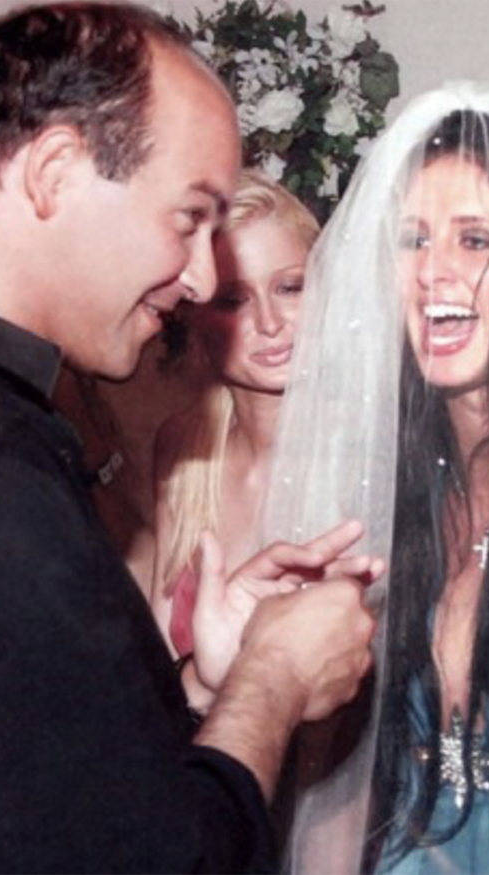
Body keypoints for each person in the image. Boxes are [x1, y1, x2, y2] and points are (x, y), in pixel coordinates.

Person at [0, 4, 379, 872]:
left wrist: (204, 685)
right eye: (188, 218)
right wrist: (271, 683)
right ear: (54, 172)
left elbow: (53, 797)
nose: (203, 279)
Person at [260, 81, 489, 874]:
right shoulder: (384, 501)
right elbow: (340, 791)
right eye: (412, 240)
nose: (434, 272)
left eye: (475, 239)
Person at [149, 168, 321, 655]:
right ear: (193, 313)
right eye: (234, 300)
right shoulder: (185, 449)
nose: (269, 322)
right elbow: (162, 656)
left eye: (290, 288)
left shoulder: (370, 460)